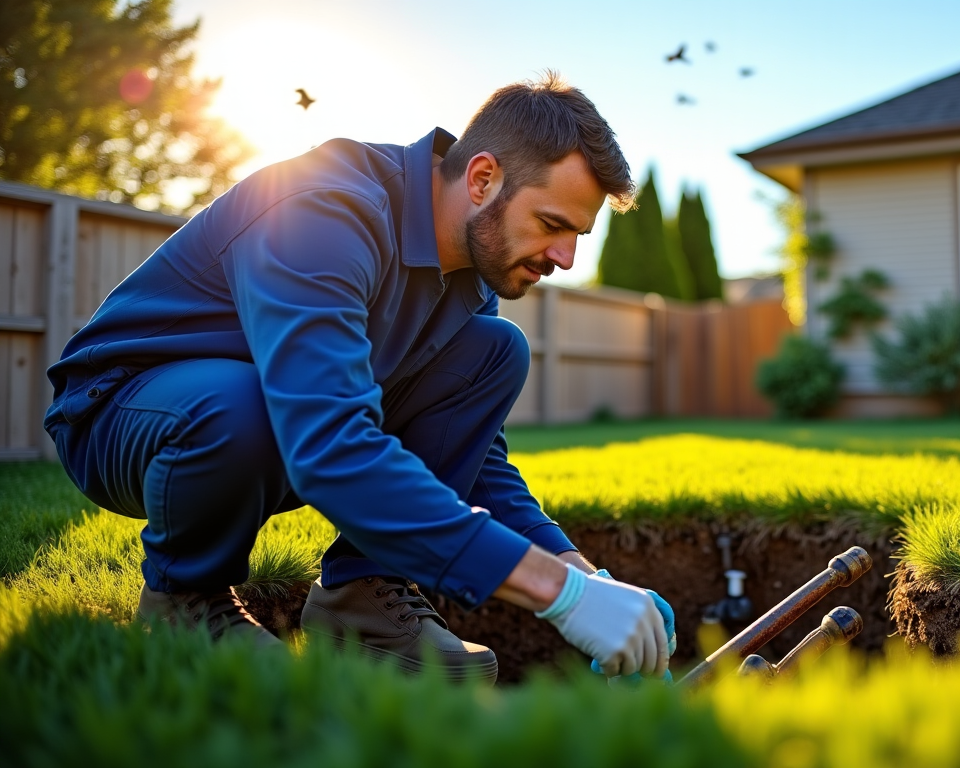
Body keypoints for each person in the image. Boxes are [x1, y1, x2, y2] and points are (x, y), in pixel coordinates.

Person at [43, 73, 673, 685]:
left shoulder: (471, 281)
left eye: (577, 235)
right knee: (240, 405)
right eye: (552, 224)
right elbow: (329, 445)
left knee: (495, 349)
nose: (565, 259)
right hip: (125, 413)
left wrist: (586, 576)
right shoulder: (324, 212)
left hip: (269, 424)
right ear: (483, 179)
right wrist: (557, 595)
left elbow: (476, 461)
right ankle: (186, 603)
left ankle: (363, 599)